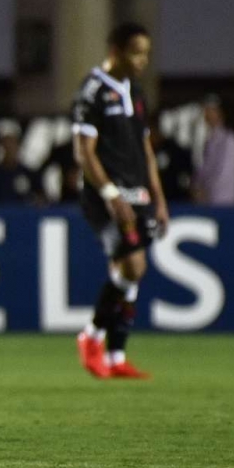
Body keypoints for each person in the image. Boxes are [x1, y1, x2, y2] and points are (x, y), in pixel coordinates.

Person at [71, 22, 169, 379]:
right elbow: (84, 153)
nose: (143, 60)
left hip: (137, 195)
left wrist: (158, 198)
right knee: (133, 267)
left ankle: (114, 356)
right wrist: (111, 194)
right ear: (115, 50)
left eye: (146, 53)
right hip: (105, 197)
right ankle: (91, 336)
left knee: (128, 273)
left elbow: (144, 149)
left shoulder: (136, 93)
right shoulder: (93, 90)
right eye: (136, 52)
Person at [192, 94, 234, 206]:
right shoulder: (204, 140)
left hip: (222, 206)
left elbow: (224, 177)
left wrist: (205, 193)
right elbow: (200, 171)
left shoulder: (230, 141)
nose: (205, 115)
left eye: (209, 110)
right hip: (204, 205)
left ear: (219, 113)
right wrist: (197, 188)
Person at [0, 120, 44, 205]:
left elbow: (42, 198)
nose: (9, 146)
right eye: (5, 142)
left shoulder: (29, 174)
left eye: (12, 142)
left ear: (18, 144)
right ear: (0, 145)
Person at [148, 115, 193, 203]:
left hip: (176, 199)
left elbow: (186, 171)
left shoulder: (173, 149)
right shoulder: (148, 151)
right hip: (155, 200)